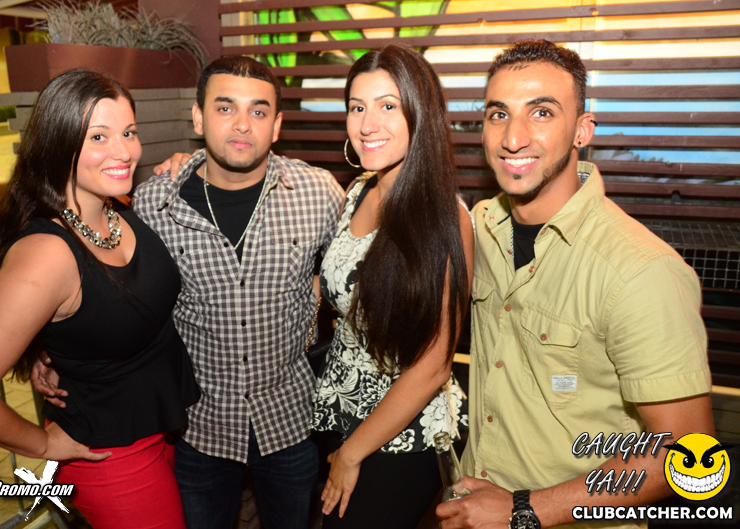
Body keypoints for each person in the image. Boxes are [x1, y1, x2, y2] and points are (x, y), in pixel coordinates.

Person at [436, 39, 713, 529]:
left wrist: (524, 509)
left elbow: (689, 454)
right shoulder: (482, 227)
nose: (513, 138)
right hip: (472, 506)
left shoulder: (639, 270)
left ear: (582, 131)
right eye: (498, 114)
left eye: (541, 113)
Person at [0, 69, 200, 529]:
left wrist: (48, 345)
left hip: (159, 430)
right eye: (98, 136)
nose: (124, 151)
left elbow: (100, 312)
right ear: (58, 144)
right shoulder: (47, 254)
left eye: (129, 132)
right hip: (108, 457)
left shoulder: (116, 209)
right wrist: (42, 446)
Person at [131, 56, 343, 529]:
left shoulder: (318, 193)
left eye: (258, 111)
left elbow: (351, 275)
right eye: (225, 108)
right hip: (199, 426)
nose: (243, 124)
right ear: (198, 117)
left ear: (277, 125)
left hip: (290, 420)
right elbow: (120, 298)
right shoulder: (154, 202)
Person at [311, 44, 475, 529]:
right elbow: (346, 283)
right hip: (341, 409)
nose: (368, 124)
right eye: (357, 107)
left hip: (402, 436)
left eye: (387, 106)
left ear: (420, 114)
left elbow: (433, 364)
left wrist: (351, 454)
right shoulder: (358, 190)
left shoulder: (443, 217)